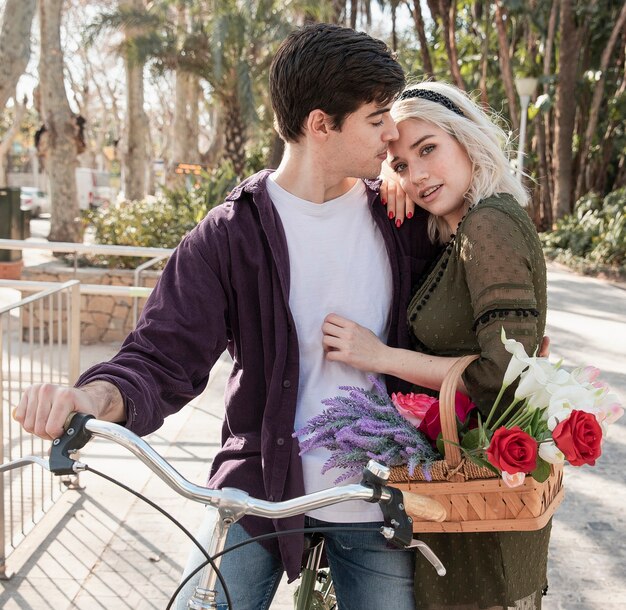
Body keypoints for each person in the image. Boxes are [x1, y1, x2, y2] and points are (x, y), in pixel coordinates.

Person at [13, 24, 442, 610]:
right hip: (260, 483)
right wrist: (90, 401)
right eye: (376, 119)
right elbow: (161, 354)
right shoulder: (231, 233)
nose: (392, 134)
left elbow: (476, 254)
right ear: (322, 125)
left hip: (382, 493)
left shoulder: (402, 217)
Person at [322, 81, 550, 610]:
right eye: (400, 164)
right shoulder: (466, 224)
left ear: (467, 140)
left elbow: (503, 373)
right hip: (469, 485)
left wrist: (379, 356)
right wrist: (392, 182)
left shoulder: (489, 224)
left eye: (428, 149)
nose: (418, 175)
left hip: (481, 495)